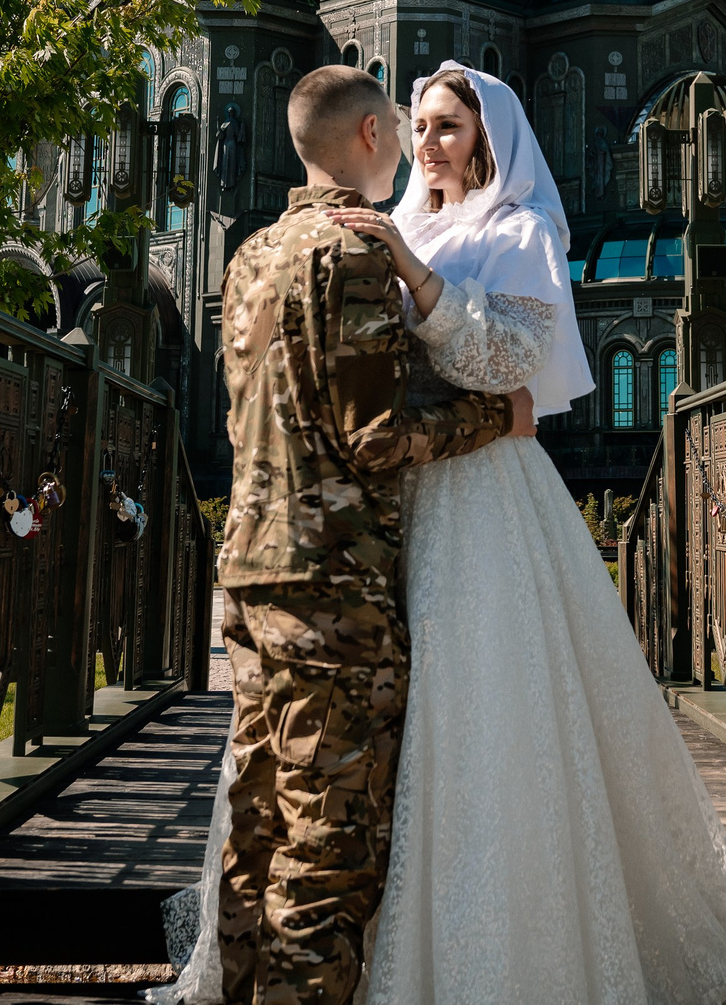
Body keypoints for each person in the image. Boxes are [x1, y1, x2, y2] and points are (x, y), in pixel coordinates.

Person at [162, 62, 726, 1005]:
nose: (428, 142)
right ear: (379, 136)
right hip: (374, 515)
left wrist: (418, 278)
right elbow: (370, 406)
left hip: (471, 498)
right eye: (418, 124)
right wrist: (410, 271)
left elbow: (513, 360)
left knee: (471, 710)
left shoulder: (513, 231)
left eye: (448, 126)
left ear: (488, 137)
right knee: (344, 765)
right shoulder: (378, 229)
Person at [196, 63, 530, 1005]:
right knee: (328, 852)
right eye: (404, 128)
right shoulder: (351, 255)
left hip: (252, 575)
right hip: (331, 589)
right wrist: (492, 418)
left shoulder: (252, 254)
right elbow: (375, 437)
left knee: (257, 825)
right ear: (376, 138)